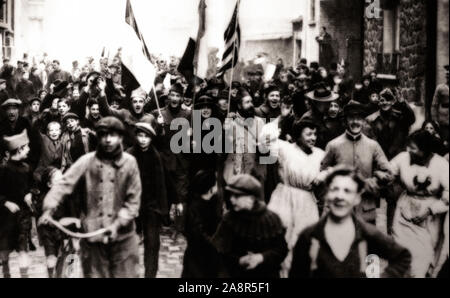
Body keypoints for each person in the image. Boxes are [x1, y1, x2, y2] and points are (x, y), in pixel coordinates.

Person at [39, 116, 142, 278]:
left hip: (123, 237)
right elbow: (63, 184)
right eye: (103, 135)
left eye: (113, 135)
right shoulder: (86, 161)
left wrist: (117, 223)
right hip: (93, 236)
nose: (108, 140)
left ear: (121, 137)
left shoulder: (130, 163)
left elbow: (133, 201)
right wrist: (48, 207)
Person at [289, 166, 411, 278]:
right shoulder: (309, 236)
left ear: (357, 198)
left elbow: (402, 256)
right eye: (335, 189)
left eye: (347, 191)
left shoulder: (367, 233)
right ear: (326, 194)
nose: (340, 196)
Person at [265, 118, 324, 277]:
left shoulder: (320, 154)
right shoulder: (285, 148)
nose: (313, 137)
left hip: (306, 202)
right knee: (282, 239)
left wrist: (322, 176)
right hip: (284, 198)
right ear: (298, 136)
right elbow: (265, 140)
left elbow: (331, 168)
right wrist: (281, 118)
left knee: (303, 241)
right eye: (309, 134)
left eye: (315, 134)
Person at [320, 101, 393, 225]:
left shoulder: (373, 146)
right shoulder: (333, 145)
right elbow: (323, 174)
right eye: (351, 118)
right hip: (339, 209)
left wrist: (371, 182)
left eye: (359, 118)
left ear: (363, 121)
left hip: (365, 211)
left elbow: (389, 173)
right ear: (345, 120)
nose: (355, 122)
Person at [391, 130, 449, 278]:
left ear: (424, 150)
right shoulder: (403, 158)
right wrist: (383, 177)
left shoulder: (441, 165)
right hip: (404, 214)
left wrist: (431, 210)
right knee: (402, 256)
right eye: (408, 146)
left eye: (413, 148)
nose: (408, 150)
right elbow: (388, 171)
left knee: (422, 260)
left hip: (429, 220)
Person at [212, 174, 288, 278]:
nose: (232, 200)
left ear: (251, 199)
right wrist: (239, 260)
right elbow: (216, 252)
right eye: (231, 195)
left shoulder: (271, 219)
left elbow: (281, 250)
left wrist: (261, 258)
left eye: (237, 196)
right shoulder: (229, 219)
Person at [127, 122, 168, 278]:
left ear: (151, 138)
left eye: (146, 137)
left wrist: (168, 205)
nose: (143, 140)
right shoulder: (129, 155)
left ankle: (150, 275)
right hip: (132, 207)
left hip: (151, 207)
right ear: (136, 137)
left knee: (152, 244)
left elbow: (164, 182)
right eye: (140, 136)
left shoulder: (157, 156)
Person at [0, 130, 35, 278]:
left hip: (23, 216)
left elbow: (32, 185)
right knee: (5, 249)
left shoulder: (27, 168)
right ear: (19, 149)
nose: (29, 149)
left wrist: (30, 193)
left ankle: (24, 276)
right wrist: (6, 202)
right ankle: (6, 271)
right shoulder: (3, 169)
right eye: (26, 146)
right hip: (5, 217)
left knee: (23, 248)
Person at [182, 170, 222, 278]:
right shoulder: (195, 208)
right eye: (215, 184)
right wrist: (215, 244)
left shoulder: (212, 203)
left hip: (207, 256)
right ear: (210, 189)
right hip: (198, 259)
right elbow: (198, 234)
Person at [365, 88, 416, 160]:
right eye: (382, 100)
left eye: (388, 99)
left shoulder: (400, 117)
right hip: (378, 159)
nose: (385, 102)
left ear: (393, 101)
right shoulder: (370, 120)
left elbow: (411, 119)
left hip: (398, 159)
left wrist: (402, 102)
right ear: (379, 102)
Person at [301, 83, 340, 149]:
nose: (328, 105)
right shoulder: (308, 119)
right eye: (326, 102)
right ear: (316, 103)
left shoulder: (321, 116)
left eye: (329, 102)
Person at [431, 65, 449, 144]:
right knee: (444, 143)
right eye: (447, 71)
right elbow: (434, 105)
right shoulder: (440, 88)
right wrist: (435, 120)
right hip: (444, 120)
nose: (448, 73)